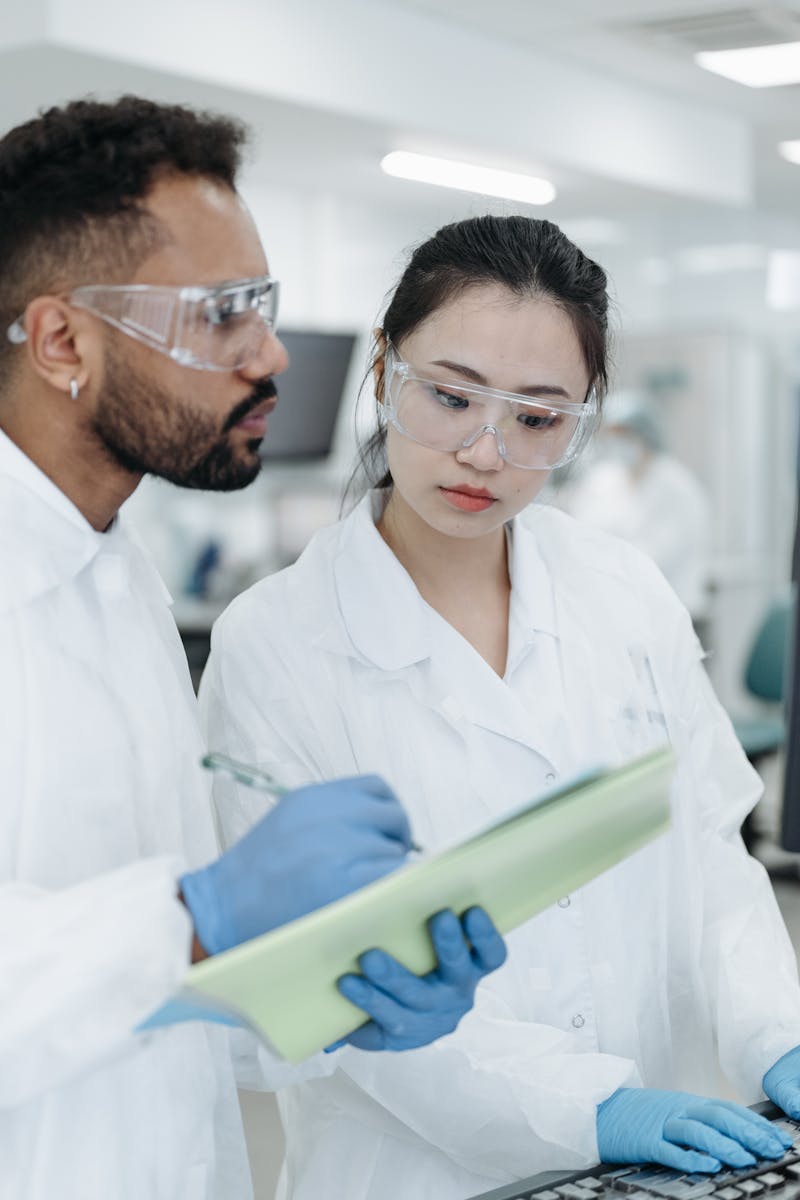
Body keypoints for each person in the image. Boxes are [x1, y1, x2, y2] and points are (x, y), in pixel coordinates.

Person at [201, 215, 800, 1200]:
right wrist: (578, 1107)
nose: (483, 451)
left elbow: (710, 864)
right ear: (386, 370)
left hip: (652, 1163)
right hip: (412, 1172)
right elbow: (336, 981)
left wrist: (775, 1034)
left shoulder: (622, 589)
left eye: (536, 417)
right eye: (449, 396)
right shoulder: (278, 641)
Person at [0, 98, 507, 1200]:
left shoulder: (113, 568)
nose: (269, 352)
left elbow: (155, 999)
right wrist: (201, 912)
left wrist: (337, 1005)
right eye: (222, 313)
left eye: (262, 306)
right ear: (60, 341)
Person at [554, 392, 712, 623]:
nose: (618, 444)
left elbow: (655, 558)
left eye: (625, 435)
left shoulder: (676, 487)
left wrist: (598, 559)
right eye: (612, 435)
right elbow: (578, 532)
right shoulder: (604, 479)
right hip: (619, 612)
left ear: (644, 435)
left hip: (673, 613)